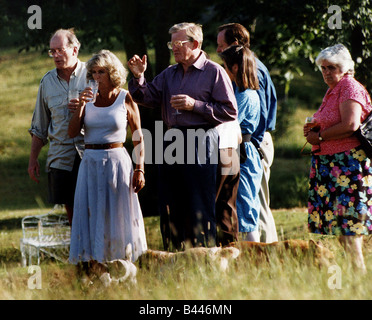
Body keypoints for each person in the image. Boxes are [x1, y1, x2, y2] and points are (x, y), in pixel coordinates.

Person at [128, 22, 238, 250]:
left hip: (201, 141)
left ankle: (202, 256)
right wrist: (139, 78)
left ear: (195, 43)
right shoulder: (169, 73)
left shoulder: (213, 72)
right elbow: (146, 97)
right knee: (170, 203)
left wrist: (194, 105)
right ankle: (174, 255)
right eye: (171, 44)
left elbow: (229, 111)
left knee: (199, 203)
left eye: (178, 43)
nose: (173, 48)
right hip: (172, 141)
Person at [68, 50, 147, 274]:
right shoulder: (87, 97)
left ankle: (122, 266)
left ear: (111, 72)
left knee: (119, 213)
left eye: (101, 71)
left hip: (118, 161)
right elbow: (72, 132)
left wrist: (140, 169)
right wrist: (81, 107)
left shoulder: (125, 97)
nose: (96, 76)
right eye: (93, 72)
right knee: (92, 212)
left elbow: (138, 135)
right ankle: (95, 268)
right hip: (91, 162)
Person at [304, 44, 372, 271]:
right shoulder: (334, 88)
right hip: (332, 164)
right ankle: (355, 278)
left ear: (344, 68)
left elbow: (351, 124)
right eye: (322, 68)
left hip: (347, 165)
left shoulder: (349, 87)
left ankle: (359, 277)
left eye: (331, 68)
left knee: (350, 228)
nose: (325, 73)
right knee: (341, 229)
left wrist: (320, 136)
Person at [217, 23, 278, 243]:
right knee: (248, 206)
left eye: (221, 48)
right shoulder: (243, 86)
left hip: (248, 147)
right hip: (247, 147)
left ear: (234, 67)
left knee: (250, 208)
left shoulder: (246, 92)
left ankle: (260, 254)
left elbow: (233, 121)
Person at [28, 28, 87, 226]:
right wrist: (33, 159)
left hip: (91, 153)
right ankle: (80, 254)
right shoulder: (47, 82)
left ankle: (101, 254)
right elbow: (39, 126)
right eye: (52, 51)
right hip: (61, 157)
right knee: (72, 212)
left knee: (95, 207)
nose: (56, 55)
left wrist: (85, 107)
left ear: (75, 49)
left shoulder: (94, 74)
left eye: (60, 50)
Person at [219, 45, 262, 241]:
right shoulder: (244, 92)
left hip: (243, 152)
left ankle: (252, 256)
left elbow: (230, 123)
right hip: (244, 150)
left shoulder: (244, 96)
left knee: (245, 208)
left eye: (225, 66)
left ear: (235, 68)